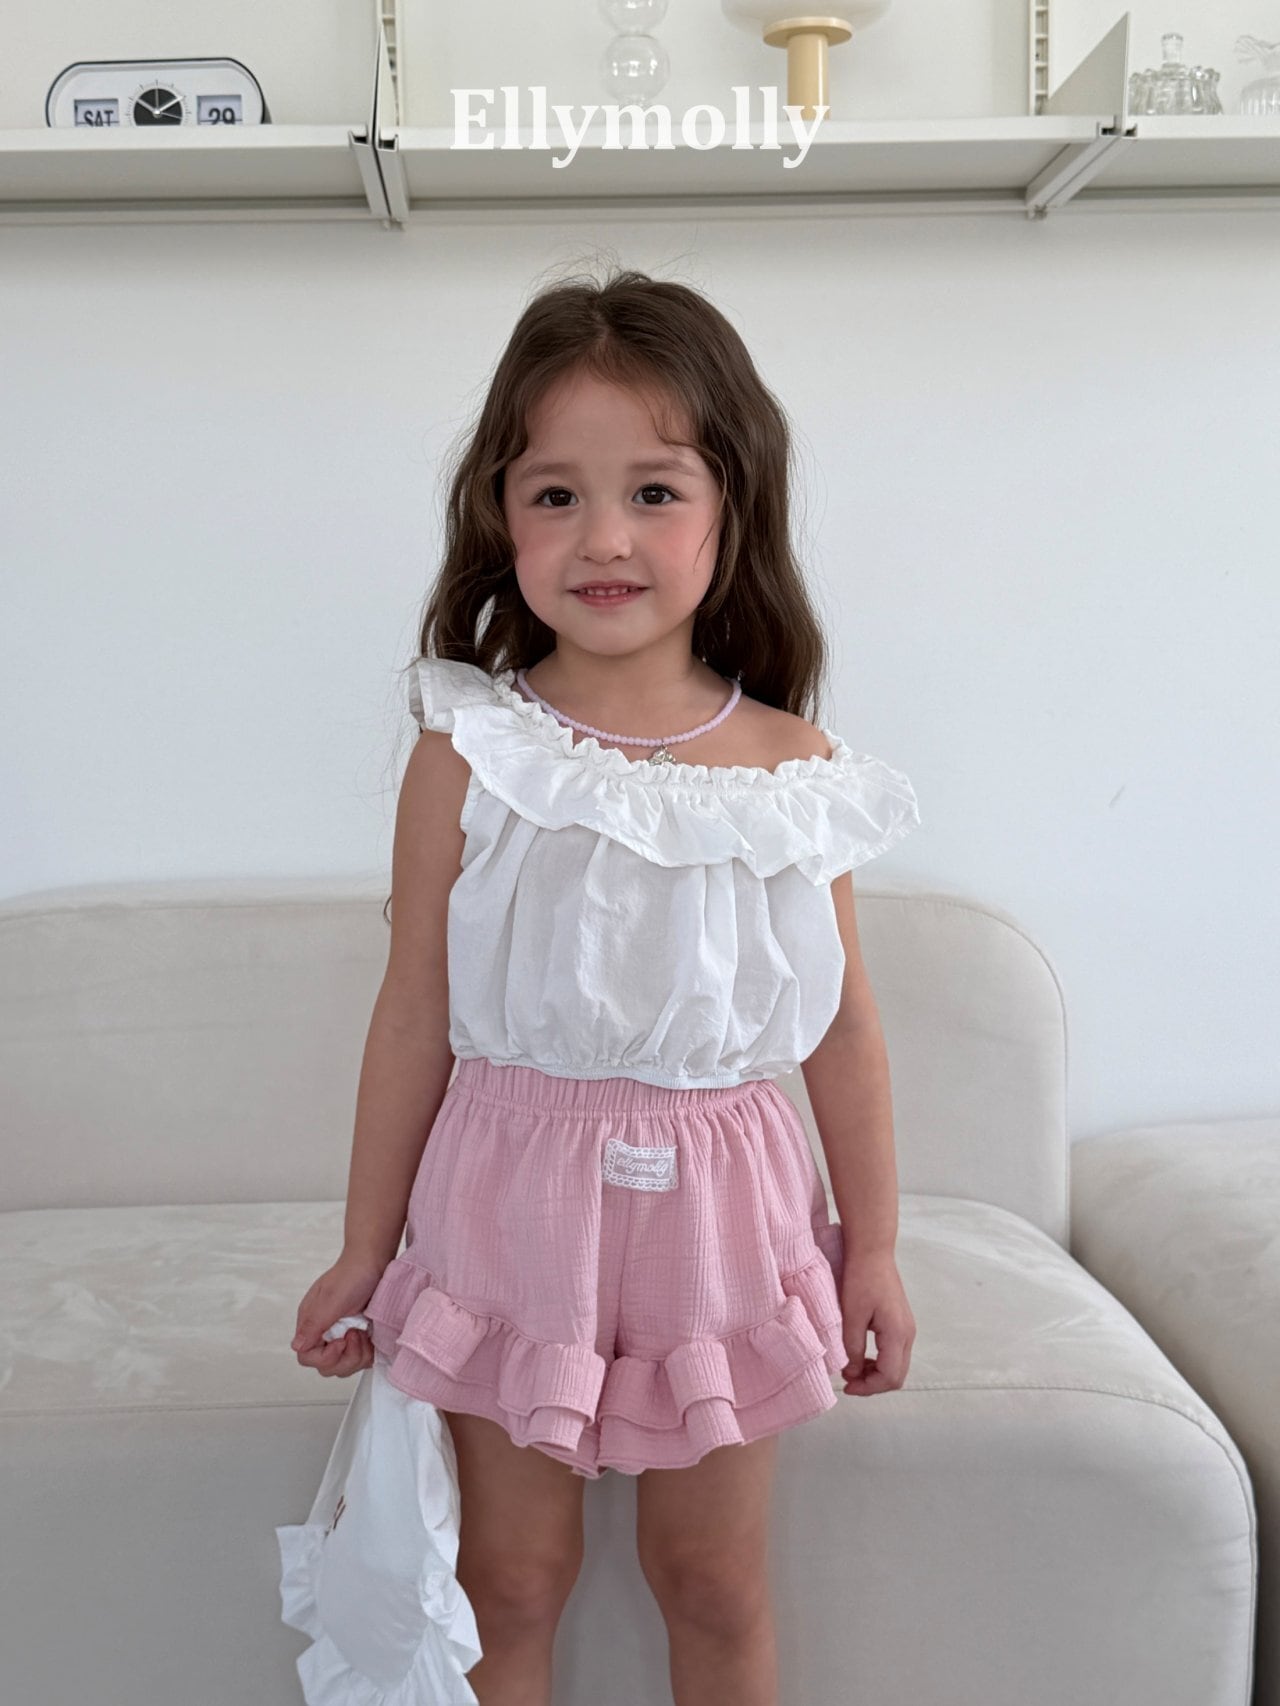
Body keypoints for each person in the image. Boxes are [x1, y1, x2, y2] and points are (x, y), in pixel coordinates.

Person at [288, 263, 922, 1706]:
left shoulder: (796, 771)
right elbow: (413, 1012)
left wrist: (873, 1246)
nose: (604, 537)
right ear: (499, 515)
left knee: (712, 1580)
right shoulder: (467, 749)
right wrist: (365, 1247)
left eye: (653, 490)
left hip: (726, 1210)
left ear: (730, 508)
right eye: (555, 493)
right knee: (507, 1579)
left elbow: (844, 1028)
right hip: (506, 1197)